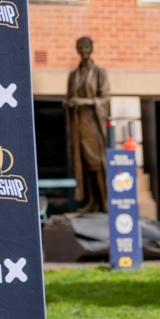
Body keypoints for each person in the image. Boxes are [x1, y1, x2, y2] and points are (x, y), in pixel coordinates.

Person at [66, 37, 112, 210]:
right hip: (78, 125)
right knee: (83, 164)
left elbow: (105, 98)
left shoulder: (100, 73)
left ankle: (105, 200)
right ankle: (91, 201)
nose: (83, 49)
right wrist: (69, 103)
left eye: (86, 46)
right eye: (80, 47)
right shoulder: (73, 75)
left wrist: (82, 102)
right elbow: (70, 97)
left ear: (91, 48)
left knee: (98, 163)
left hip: (93, 124)